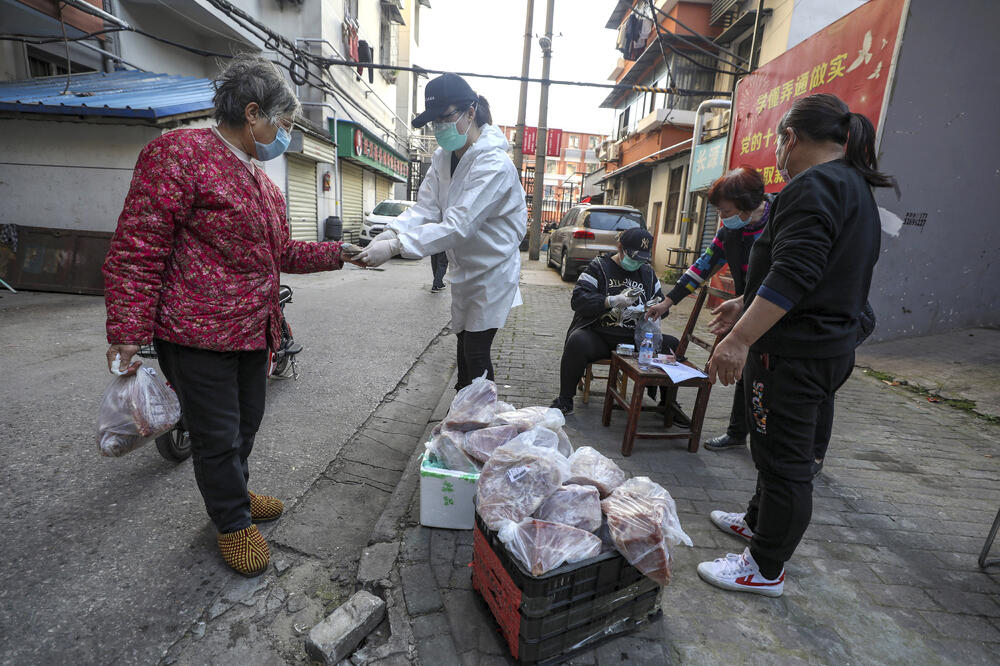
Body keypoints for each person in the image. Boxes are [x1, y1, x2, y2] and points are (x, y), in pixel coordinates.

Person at [102, 55, 359, 577]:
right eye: (282, 124)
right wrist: (127, 328)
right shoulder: (180, 153)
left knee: (247, 423)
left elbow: (280, 253)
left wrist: (343, 252)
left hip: (253, 331)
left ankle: (233, 491)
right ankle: (231, 520)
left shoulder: (262, 181)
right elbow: (139, 245)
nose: (283, 134)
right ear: (252, 113)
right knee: (216, 435)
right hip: (196, 332)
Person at [697, 93, 897, 597]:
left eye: (780, 142)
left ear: (789, 138)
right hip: (824, 348)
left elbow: (795, 272)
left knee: (785, 464)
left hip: (795, 355)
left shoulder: (814, 187)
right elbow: (812, 270)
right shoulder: (852, 186)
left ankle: (764, 568)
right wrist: (743, 301)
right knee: (774, 452)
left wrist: (739, 339)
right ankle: (757, 524)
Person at [355, 73, 526, 389]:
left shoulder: (494, 164)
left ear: (470, 112)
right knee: (462, 346)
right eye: (434, 122)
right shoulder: (443, 157)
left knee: (476, 353)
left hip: (492, 272)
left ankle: (479, 421)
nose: (439, 129)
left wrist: (396, 247)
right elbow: (425, 210)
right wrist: (390, 232)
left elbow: (459, 226)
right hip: (464, 271)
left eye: (445, 118)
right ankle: (464, 416)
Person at [645, 167, 772, 451]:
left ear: (747, 204)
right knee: (746, 368)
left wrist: (744, 301)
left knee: (774, 377)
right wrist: (669, 300)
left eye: (725, 211)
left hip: (778, 306)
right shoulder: (730, 231)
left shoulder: (780, 221)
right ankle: (737, 432)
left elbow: (784, 274)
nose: (722, 218)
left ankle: (800, 450)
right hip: (748, 304)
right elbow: (703, 264)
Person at [550, 228, 680, 416]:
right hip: (601, 337)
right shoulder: (598, 267)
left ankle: (668, 404)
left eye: (641, 259)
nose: (636, 263)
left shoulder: (648, 274)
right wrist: (610, 301)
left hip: (637, 339)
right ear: (620, 248)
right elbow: (578, 300)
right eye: (633, 257)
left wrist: (653, 308)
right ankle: (565, 399)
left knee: (673, 346)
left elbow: (662, 308)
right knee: (577, 341)